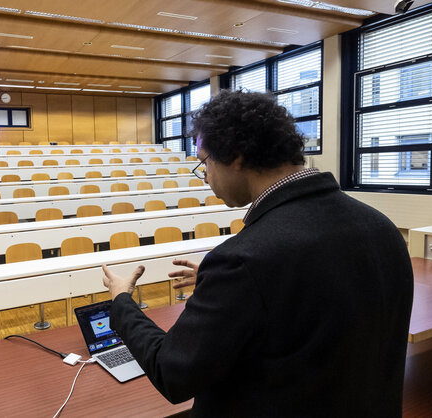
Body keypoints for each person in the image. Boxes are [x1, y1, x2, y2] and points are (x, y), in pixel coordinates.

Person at [102, 90, 413, 416]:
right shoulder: (382, 228)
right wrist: (227, 288)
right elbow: (320, 301)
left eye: (204, 161)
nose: (204, 175)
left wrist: (122, 301)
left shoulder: (244, 262)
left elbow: (174, 373)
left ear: (236, 155)